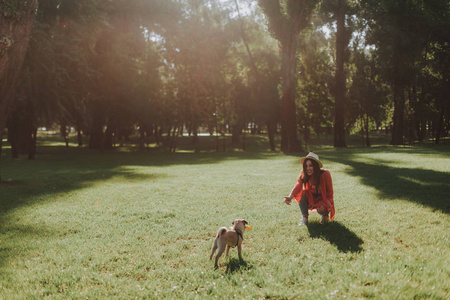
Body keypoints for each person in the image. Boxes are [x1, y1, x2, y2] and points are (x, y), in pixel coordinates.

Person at [284, 152, 335, 225]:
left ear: (316, 166)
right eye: (306, 166)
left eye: (310, 165)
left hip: (323, 199)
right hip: (311, 198)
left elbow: (330, 194)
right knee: (302, 192)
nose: (308, 168)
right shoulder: (303, 173)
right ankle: (305, 217)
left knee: (324, 220)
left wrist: (325, 205)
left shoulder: (325, 174)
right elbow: (298, 185)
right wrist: (290, 197)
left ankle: (324, 214)